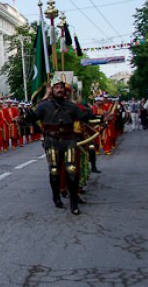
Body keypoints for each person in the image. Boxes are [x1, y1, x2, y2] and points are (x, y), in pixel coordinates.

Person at [29, 73, 99, 215]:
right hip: (51, 141)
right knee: (54, 170)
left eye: (61, 87)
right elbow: (32, 118)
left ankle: (73, 202)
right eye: (56, 87)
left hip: (69, 141)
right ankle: (56, 197)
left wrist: (102, 118)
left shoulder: (72, 107)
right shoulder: (44, 106)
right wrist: (25, 116)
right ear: (52, 90)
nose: (59, 89)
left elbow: (86, 117)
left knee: (72, 171)